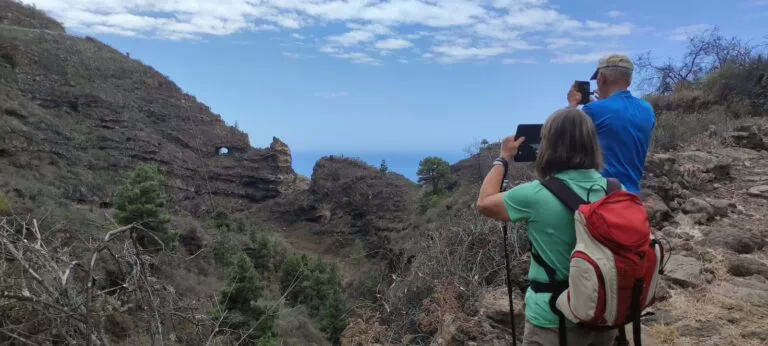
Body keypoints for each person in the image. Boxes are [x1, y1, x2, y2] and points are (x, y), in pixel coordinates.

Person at [476, 108, 620, 346]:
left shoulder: (537, 194)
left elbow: (484, 202)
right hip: (604, 313)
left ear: (548, 147)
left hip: (553, 320)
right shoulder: (615, 190)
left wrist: (503, 158)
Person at [567, 54, 655, 196]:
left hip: (601, 199)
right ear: (630, 80)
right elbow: (618, 126)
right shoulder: (647, 109)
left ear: (602, 78)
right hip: (632, 199)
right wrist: (602, 103)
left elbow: (562, 139)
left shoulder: (593, 110)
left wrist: (572, 105)